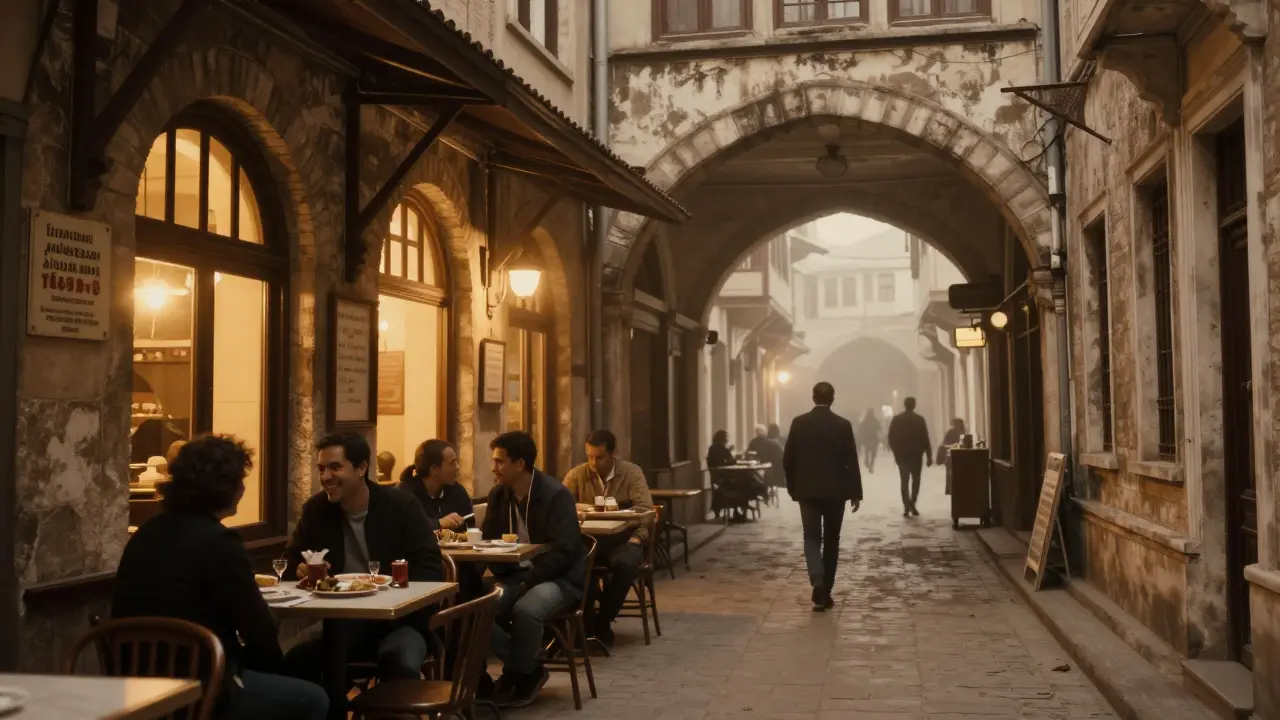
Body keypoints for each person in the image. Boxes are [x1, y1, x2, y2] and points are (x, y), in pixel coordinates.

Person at [112, 435, 328, 720]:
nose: (243, 487)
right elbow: (259, 630)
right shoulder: (219, 542)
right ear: (223, 488)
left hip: (134, 689)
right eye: (239, 479)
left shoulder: (146, 533)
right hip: (201, 688)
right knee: (313, 698)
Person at [282, 433, 444, 687]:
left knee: (398, 661)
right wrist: (301, 569)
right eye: (321, 469)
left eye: (335, 467)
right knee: (296, 658)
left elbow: (431, 571)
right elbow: (289, 562)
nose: (325, 477)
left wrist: (389, 592)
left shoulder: (400, 505)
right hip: (340, 621)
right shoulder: (317, 509)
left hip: (399, 622)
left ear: (361, 468)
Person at [482, 431, 585, 708]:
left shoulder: (555, 495)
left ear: (521, 463)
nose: (494, 468)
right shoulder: (498, 495)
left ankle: (518, 675)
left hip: (559, 578)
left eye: (500, 462)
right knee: (476, 608)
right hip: (514, 576)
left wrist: (530, 580)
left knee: (526, 610)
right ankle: (527, 669)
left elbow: (565, 551)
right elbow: (488, 541)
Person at [562, 429, 654, 645]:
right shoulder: (577, 475)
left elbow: (645, 511)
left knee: (626, 564)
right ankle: (585, 625)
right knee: (578, 566)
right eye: (590, 456)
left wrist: (637, 538)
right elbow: (561, 507)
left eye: (599, 457)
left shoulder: (631, 473)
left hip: (622, 540)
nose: (593, 463)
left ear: (613, 453)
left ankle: (602, 621)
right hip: (587, 541)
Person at [783, 382, 862, 612]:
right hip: (836, 491)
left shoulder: (799, 423)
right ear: (832, 398)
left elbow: (788, 460)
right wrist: (855, 492)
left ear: (813, 397)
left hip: (807, 490)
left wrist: (792, 486)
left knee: (811, 538)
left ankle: (817, 580)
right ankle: (825, 590)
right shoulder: (842, 425)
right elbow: (851, 460)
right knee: (831, 540)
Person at [399, 439, 473, 532]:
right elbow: (404, 527)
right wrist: (439, 523)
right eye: (452, 463)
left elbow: (470, 524)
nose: (457, 467)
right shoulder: (405, 494)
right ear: (434, 469)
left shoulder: (456, 490)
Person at [887, 397, 933, 517]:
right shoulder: (919, 420)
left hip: (903, 456)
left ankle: (907, 506)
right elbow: (925, 438)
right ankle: (912, 503)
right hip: (916, 455)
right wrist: (929, 456)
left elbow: (891, 438)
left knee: (904, 481)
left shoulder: (897, 419)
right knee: (916, 481)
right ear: (914, 405)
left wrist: (896, 453)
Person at [747, 424, 785, 489]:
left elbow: (748, 454)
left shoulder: (756, 441)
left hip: (768, 471)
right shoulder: (774, 443)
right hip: (775, 472)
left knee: (753, 475)